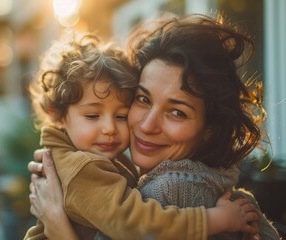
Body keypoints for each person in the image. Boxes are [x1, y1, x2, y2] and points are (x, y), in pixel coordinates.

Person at [25, 22, 262, 240]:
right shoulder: (81, 166)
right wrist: (216, 219)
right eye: (143, 99)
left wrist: (60, 230)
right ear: (58, 115)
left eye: (177, 112)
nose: (147, 125)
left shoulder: (175, 190)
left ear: (209, 127)